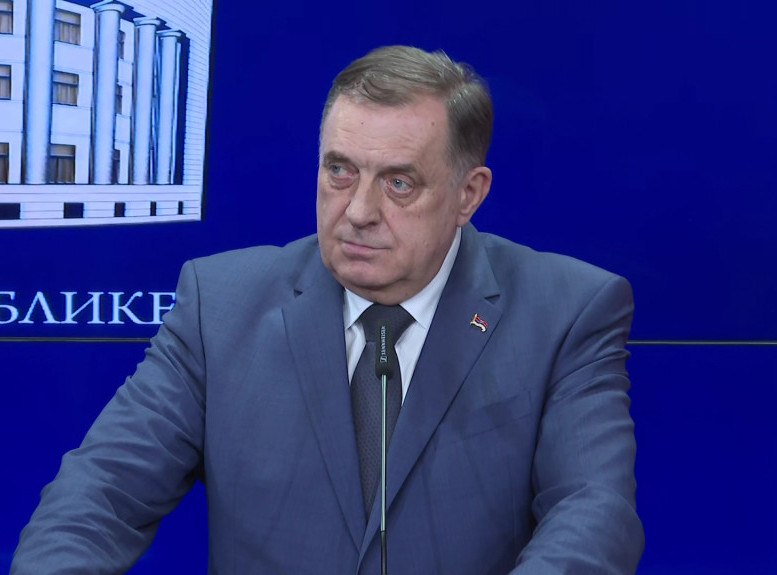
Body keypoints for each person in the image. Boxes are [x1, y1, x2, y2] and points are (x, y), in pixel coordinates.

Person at [12, 46, 644, 574]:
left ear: (468, 194)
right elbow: (99, 497)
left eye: (398, 183)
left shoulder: (566, 313)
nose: (359, 211)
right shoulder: (219, 307)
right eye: (340, 171)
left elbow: (593, 517)